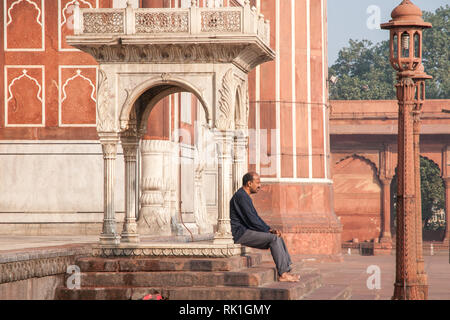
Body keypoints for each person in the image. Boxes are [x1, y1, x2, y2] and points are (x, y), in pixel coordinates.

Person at [230, 172, 300, 282]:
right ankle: (283, 274)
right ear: (249, 183)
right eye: (257, 183)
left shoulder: (244, 196)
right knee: (274, 238)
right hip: (240, 234)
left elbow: (255, 218)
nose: (259, 186)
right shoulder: (241, 196)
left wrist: (269, 229)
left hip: (246, 231)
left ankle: (286, 270)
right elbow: (252, 220)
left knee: (277, 237)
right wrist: (268, 230)